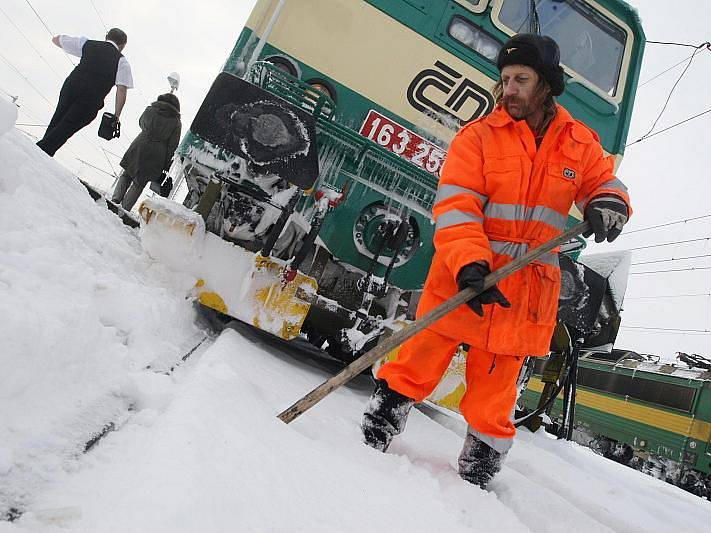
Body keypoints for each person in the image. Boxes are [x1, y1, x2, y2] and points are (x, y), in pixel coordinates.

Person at [361, 34, 631, 489]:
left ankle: (477, 480)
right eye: (505, 79)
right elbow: (457, 206)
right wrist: (470, 263)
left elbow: (605, 182)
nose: (509, 89)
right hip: (465, 276)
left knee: (496, 394)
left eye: (520, 79)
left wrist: (609, 203)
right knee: (414, 364)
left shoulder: (579, 143)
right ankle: (371, 438)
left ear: (546, 84)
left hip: (526, 292)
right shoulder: (478, 137)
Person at [37, 28, 133, 156]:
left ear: (106, 37)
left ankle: (40, 151)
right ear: (123, 45)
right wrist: (117, 115)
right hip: (91, 98)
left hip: (71, 87)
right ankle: (41, 150)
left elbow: (57, 40)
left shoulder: (87, 44)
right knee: (68, 126)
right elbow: (121, 89)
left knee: (58, 118)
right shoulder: (122, 62)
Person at [111, 93, 181, 210]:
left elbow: (141, 123)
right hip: (157, 153)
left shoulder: (150, 110)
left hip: (140, 143)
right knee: (140, 182)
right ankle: (125, 208)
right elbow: (173, 145)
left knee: (127, 173)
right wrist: (167, 166)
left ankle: (115, 199)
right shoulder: (176, 122)